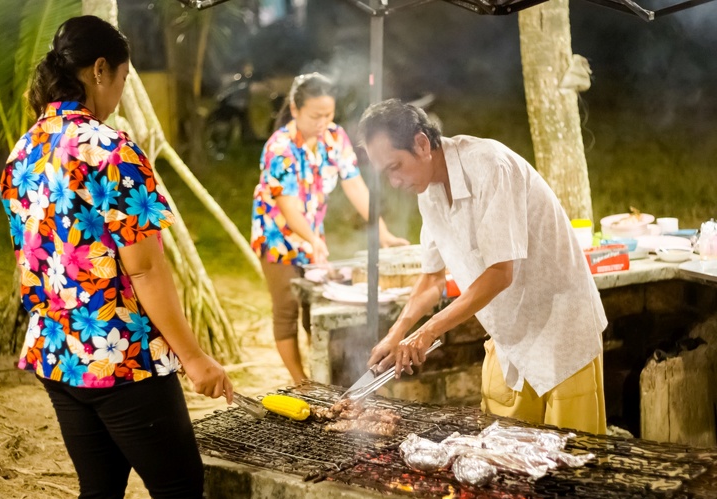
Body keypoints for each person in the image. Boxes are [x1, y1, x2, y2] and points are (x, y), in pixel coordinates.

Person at [0, 16, 232, 499]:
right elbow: (146, 269)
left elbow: (32, 255)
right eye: (124, 80)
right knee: (178, 492)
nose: (121, 94)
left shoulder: (24, 151)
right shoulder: (111, 149)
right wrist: (194, 359)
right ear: (100, 71)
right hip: (118, 356)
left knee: (99, 494)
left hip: (57, 353)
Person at [359, 99, 607, 435]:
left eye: (395, 167)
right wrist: (397, 332)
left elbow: (500, 273)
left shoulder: (490, 166)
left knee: (574, 461)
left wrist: (427, 332)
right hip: (510, 337)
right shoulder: (427, 192)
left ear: (421, 144)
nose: (394, 182)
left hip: (561, 329)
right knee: (507, 459)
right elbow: (432, 279)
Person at [250, 73, 409, 384]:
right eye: (315, 115)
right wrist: (311, 239)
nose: (323, 122)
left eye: (328, 114)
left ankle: (320, 374)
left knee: (315, 307)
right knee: (286, 309)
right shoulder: (279, 147)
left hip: (312, 234)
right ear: (295, 110)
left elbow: (355, 186)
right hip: (277, 236)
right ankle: (301, 381)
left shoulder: (335, 138)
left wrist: (382, 230)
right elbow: (287, 204)